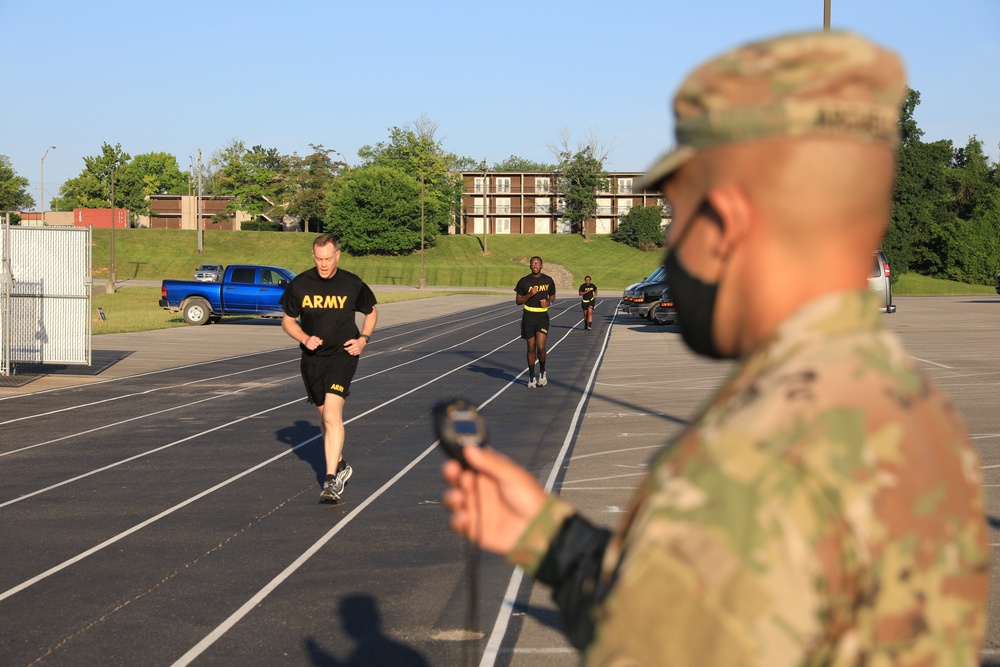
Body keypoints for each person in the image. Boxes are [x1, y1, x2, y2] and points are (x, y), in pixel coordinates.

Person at [443, 31, 988, 665]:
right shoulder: (906, 405)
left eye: (681, 216)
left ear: (726, 221)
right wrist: (551, 541)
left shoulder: (763, 453)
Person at [281, 234, 377, 502]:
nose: (324, 265)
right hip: (312, 360)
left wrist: (363, 340)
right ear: (313, 256)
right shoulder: (299, 284)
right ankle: (342, 465)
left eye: (328, 259)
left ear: (338, 255)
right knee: (324, 418)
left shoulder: (351, 283)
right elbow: (288, 321)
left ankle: (330, 480)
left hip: (342, 357)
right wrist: (304, 337)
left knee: (333, 415)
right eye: (319, 259)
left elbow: (371, 312)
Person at [514, 256, 556, 388]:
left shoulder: (548, 280)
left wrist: (548, 302)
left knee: (541, 347)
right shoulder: (524, 281)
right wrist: (529, 295)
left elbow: (553, 295)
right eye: (533, 263)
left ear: (542, 266)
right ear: (530, 266)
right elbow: (518, 301)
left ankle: (542, 372)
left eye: (538, 263)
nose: (535, 265)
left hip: (542, 316)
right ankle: (532, 377)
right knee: (531, 348)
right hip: (528, 316)